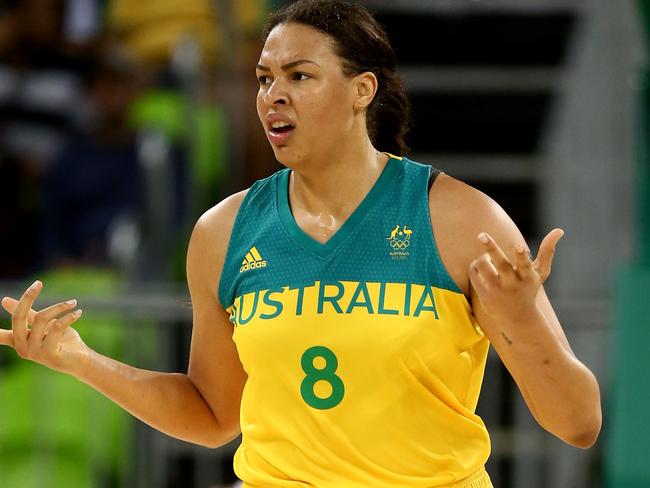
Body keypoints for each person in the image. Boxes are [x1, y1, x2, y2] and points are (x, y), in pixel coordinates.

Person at [0, 1, 602, 487]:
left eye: (299, 76)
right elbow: (212, 417)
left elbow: (578, 423)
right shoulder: (222, 232)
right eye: (264, 79)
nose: (272, 96)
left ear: (362, 90)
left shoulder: (459, 219)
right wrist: (79, 361)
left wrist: (519, 316)